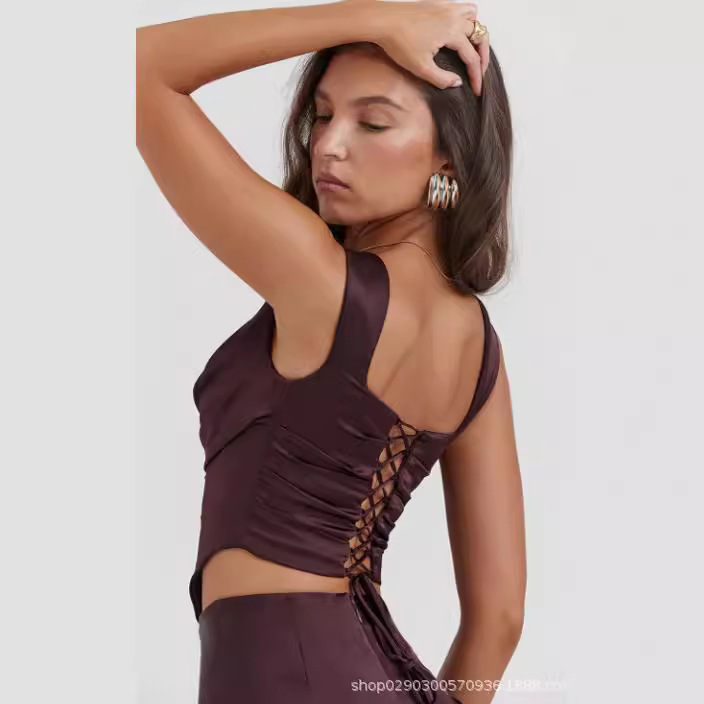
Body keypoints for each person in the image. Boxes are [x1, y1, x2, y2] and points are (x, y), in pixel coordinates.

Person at [137, 1, 526, 702]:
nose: (329, 146)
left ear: (448, 155)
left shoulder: (324, 282)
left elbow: (139, 72)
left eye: (372, 123)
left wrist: (370, 17)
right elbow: (498, 618)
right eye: (321, 115)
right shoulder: (480, 353)